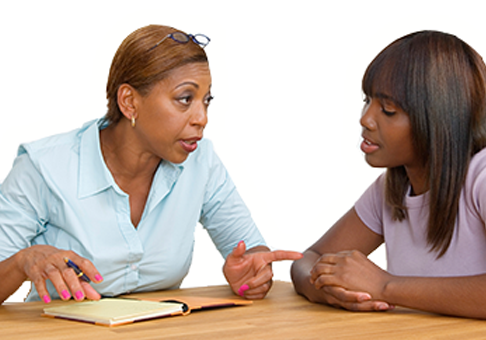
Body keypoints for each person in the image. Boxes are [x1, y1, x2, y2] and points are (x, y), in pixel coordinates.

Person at [0, 24, 302, 304]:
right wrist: (23, 261)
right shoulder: (43, 168)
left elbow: (250, 250)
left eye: (206, 100)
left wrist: (252, 271)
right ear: (129, 102)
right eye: (185, 99)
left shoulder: (202, 162)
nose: (202, 118)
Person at [290, 30, 486, 324]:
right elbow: (308, 259)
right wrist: (325, 288)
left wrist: (385, 287)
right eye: (368, 101)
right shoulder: (390, 189)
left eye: (388, 110)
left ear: (439, 118)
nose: (366, 119)